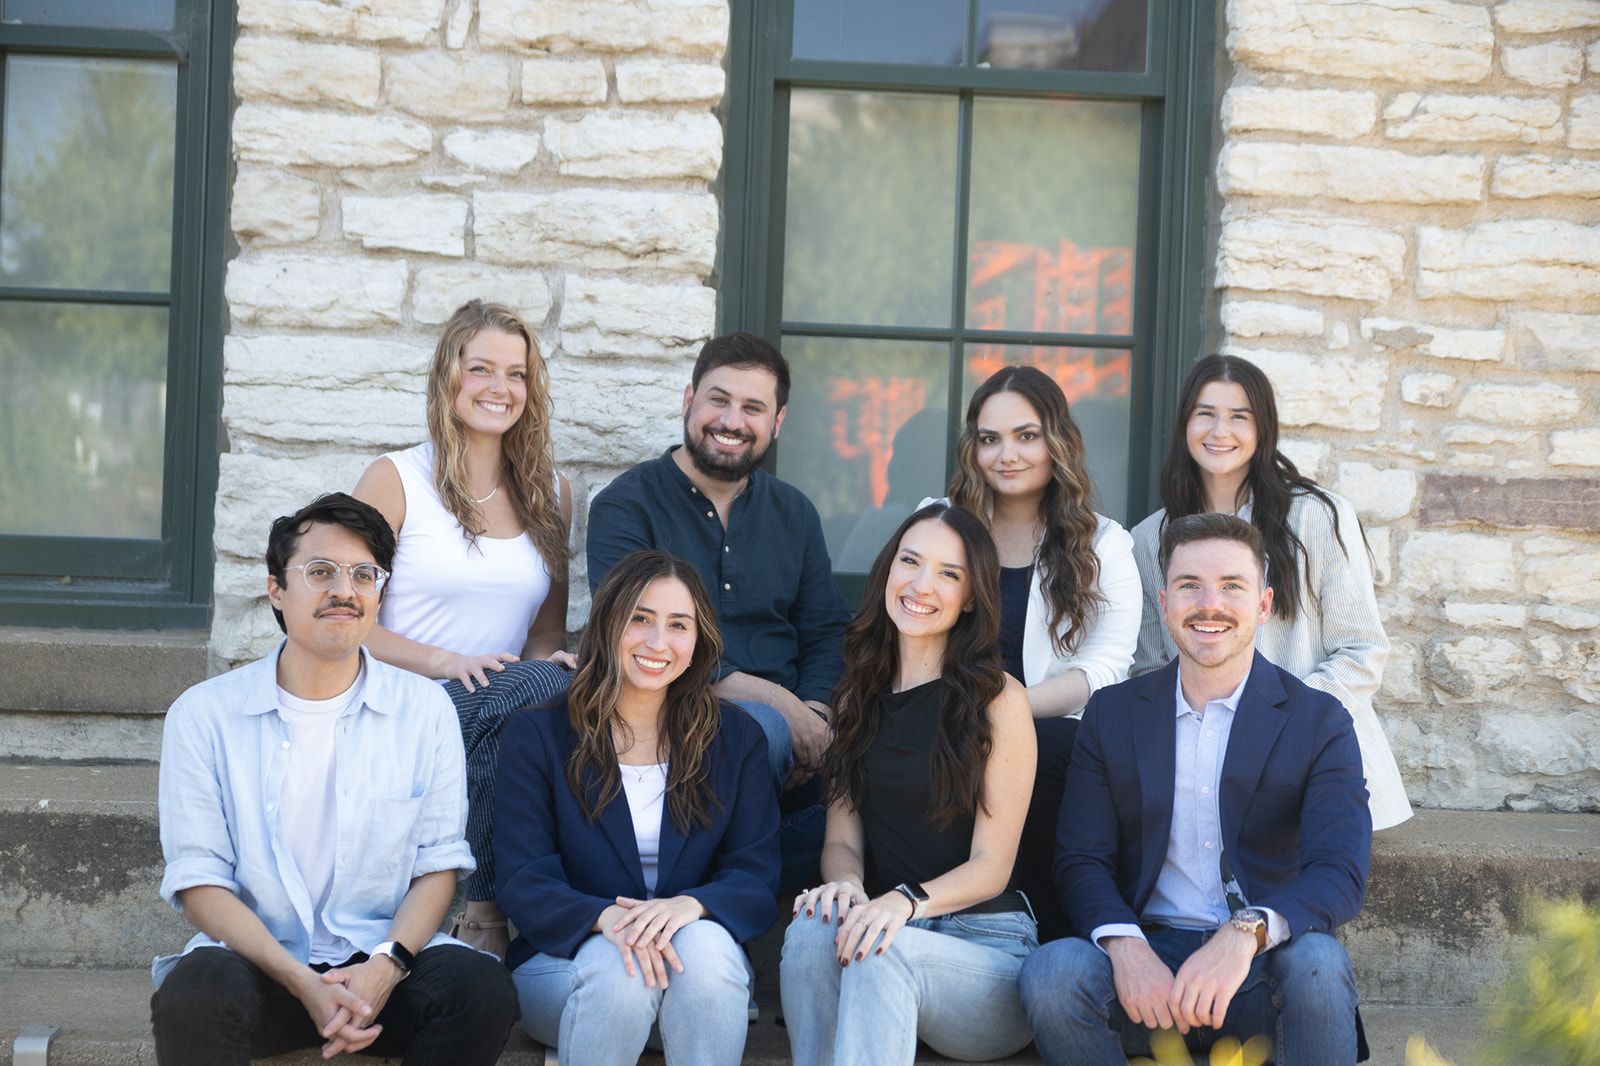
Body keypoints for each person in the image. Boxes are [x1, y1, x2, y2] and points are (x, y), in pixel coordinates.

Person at [149, 493, 518, 1065]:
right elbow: (199, 883)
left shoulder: (426, 711)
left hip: (381, 971)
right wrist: (299, 979)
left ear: (379, 592)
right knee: (196, 995)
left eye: (363, 575)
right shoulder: (203, 716)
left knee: (480, 990)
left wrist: (385, 967)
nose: (344, 590)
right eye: (320, 571)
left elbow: (438, 866)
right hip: (261, 967)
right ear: (277, 589)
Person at [1020, 513, 1372, 1065]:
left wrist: (1245, 934)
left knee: (1321, 964)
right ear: (1164, 605)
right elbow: (1081, 860)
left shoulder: (1318, 720)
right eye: (1190, 586)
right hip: (1146, 972)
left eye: (1232, 586)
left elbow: (1340, 871)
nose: (1210, 604)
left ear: (1263, 604)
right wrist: (1125, 945)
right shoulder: (1113, 714)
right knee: (1052, 973)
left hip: (1257, 969)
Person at [493, 550, 780, 1066]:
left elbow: (754, 875)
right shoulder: (538, 734)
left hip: (691, 973)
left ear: (698, 642)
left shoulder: (737, 740)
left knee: (709, 951)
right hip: (568, 966)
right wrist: (610, 920)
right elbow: (523, 877)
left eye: (678, 625)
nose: (657, 642)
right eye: (640, 619)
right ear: (607, 625)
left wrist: (687, 908)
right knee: (621, 970)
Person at [585, 332, 851, 883]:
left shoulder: (794, 513)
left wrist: (818, 715)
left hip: (796, 738)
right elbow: (631, 638)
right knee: (758, 729)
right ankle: (718, 882)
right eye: (718, 400)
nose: (731, 421)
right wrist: (784, 708)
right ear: (688, 401)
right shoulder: (625, 505)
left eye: (753, 408)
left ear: (777, 422)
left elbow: (825, 632)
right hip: (670, 715)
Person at [353, 299, 575, 955]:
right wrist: (445, 662)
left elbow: (543, 636)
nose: (499, 389)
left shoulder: (553, 495)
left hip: (502, 706)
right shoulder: (396, 479)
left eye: (516, 374)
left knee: (546, 700)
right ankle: (487, 916)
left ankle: (482, 911)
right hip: (402, 704)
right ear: (449, 374)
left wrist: (553, 666)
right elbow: (344, 624)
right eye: (481, 369)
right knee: (520, 707)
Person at [781, 502, 1038, 1066]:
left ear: (971, 596)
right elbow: (842, 842)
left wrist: (902, 902)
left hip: (987, 952)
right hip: (887, 933)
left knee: (881, 951)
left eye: (950, 574)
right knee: (808, 929)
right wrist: (846, 887)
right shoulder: (855, 697)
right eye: (911, 562)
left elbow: (991, 867)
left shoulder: (1000, 701)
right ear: (887, 570)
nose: (923, 584)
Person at [1129, 354, 1411, 830]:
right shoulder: (1150, 538)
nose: (1221, 430)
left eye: (1240, 416)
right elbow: (1153, 666)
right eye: (1206, 413)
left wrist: (1283, 721)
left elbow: (1361, 650)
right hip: (1200, 771)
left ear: (1263, 430)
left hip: (1310, 759)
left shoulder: (1318, 516)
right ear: (1184, 424)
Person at [941, 365, 1140, 942]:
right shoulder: (942, 524)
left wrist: (1007, 712)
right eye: (989, 438)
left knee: (1054, 749)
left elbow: (1104, 669)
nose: (1008, 454)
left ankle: (1047, 941)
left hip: (1047, 729)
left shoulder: (1103, 542)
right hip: (942, 717)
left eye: (1026, 436)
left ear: (1057, 442)